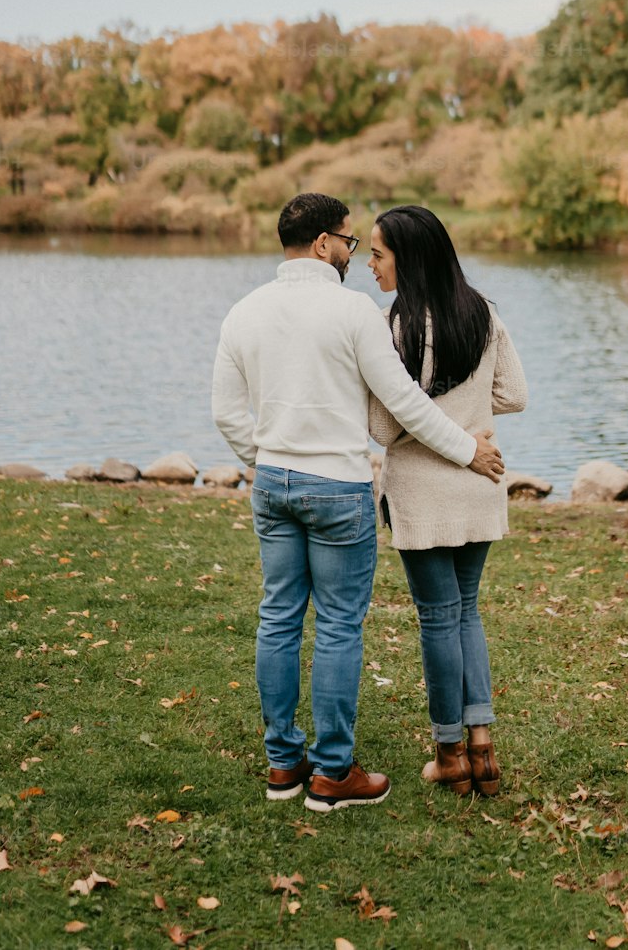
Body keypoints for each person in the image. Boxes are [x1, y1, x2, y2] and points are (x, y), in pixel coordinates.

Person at [211, 192, 504, 813]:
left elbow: (226, 413)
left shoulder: (243, 312)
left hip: (274, 484)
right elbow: (403, 402)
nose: (353, 253)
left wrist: (261, 462)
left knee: (278, 617)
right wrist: (467, 450)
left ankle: (283, 765)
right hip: (338, 488)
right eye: (348, 241)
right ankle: (333, 772)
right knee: (340, 625)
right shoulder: (355, 314)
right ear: (322, 243)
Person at [367, 205, 528, 797]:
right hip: (479, 483)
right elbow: (514, 394)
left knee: (438, 617)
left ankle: (449, 754)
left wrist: (427, 425)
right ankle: (483, 748)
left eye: (378, 254)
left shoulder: (396, 327)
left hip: (422, 489)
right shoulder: (482, 312)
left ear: (407, 259)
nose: (370, 265)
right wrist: (471, 423)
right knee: (467, 611)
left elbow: (384, 431)